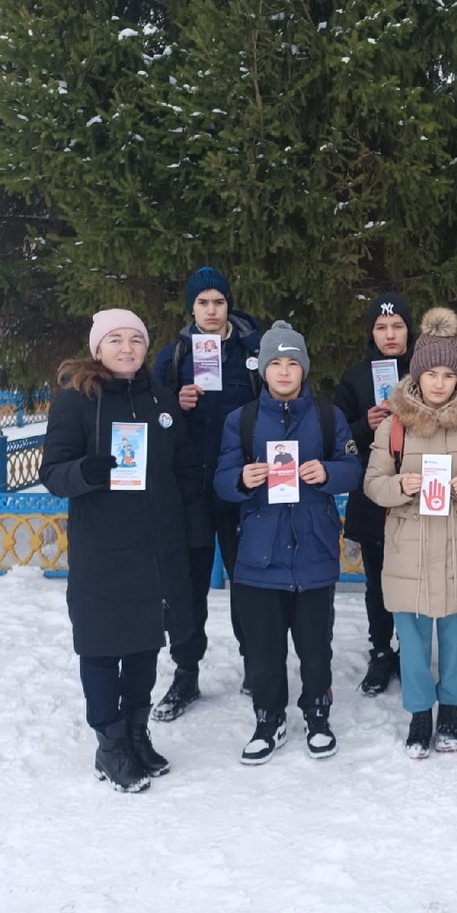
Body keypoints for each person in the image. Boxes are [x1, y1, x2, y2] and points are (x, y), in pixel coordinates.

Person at [40, 309, 202, 793]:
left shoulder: (161, 399)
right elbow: (53, 473)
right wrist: (83, 473)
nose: (127, 348)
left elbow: (184, 470)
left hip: (156, 548)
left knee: (144, 646)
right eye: (115, 339)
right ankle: (109, 745)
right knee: (100, 647)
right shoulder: (75, 403)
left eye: (135, 339)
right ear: (97, 349)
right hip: (103, 550)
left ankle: (135, 733)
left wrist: (192, 532)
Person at [214, 321, 363, 765]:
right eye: (275, 363)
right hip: (259, 554)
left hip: (313, 549)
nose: (283, 371)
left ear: (304, 369)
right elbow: (221, 480)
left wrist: (328, 473)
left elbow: (354, 469)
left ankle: (317, 714)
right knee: (264, 649)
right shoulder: (241, 420)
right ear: (263, 368)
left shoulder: (326, 416)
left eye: (292, 363)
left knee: (315, 647)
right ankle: (269, 719)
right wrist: (242, 478)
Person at [363, 308, 457, 757]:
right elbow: (372, 484)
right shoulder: (394, 425)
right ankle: (420, 713)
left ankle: (450, 711)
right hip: (408, 548)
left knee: (455, 640)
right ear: (416, 376)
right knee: (413, 639)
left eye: (448, 375)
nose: (439, 383)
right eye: (431, 374)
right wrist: (400, 486)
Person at [151, 266, 262, 721]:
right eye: (203, 302)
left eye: (219, 301)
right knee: (188, 585)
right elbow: (150, 418)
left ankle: (256, 664)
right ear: (191, 308)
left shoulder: (253, 351)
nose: (212, 310)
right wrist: (174, 403)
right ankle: (186, 672)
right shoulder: (173, 357)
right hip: (190, 492)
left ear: (229, 305)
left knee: (248, 581)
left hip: (241, 489)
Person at [335, 292, 416, 696]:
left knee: (415, 577)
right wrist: (362, 426)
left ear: (409, 330)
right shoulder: (354, 378)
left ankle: (412, 649)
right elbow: (337, 438)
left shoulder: (428, 373)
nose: (390, 334)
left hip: (419, 492)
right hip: (373, 494)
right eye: (381, 327)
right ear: (371, 332)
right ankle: (381, 650)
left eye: (397, 326)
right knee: (378, 580)